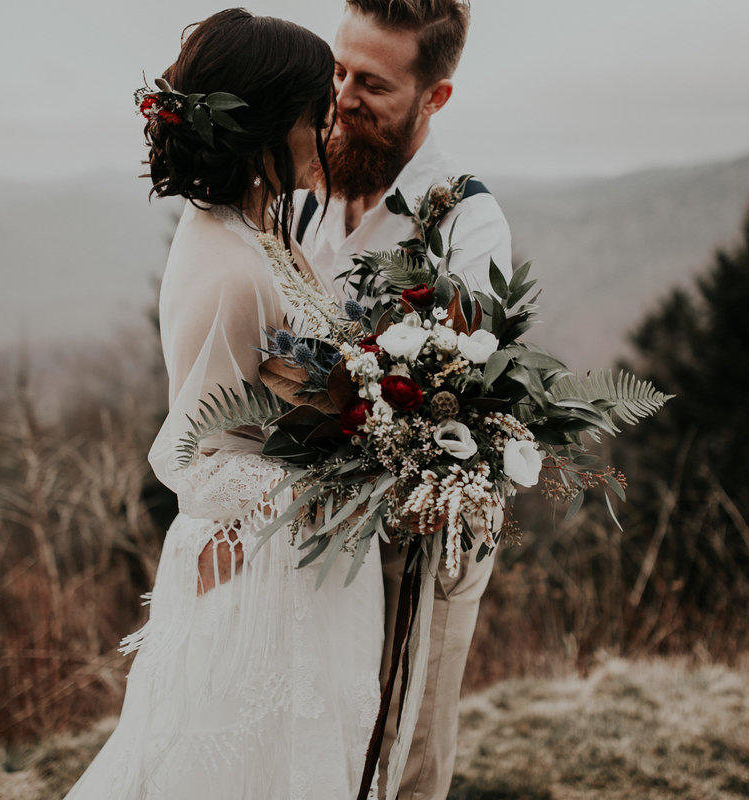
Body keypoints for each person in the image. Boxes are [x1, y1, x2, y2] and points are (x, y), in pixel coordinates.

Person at [64, 10, 384, 799]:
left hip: (305, 563)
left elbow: (291, 385)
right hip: (260, 580)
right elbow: (198, 461)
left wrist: (372, 416)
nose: (330, 129)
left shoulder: (257, 232)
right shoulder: (228, 267)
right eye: (318, 114)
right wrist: (340, 479)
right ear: (269, 123)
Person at [296, 2, 512, 798]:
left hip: (419, 535)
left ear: (435, 97)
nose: (342, 95)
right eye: (338, 69)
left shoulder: (468, 225)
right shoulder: (305, 181)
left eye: (373, 85)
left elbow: (461, 403)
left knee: (400, 743)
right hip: (308, 529)